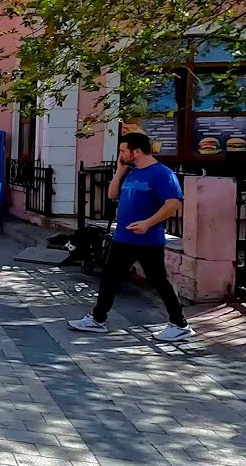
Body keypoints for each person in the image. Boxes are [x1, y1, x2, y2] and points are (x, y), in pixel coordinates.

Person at [69, 132, 192, 342]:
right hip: (123, 237)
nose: (120, 154)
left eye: (123, 150)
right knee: (110, 277)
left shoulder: (162, 174)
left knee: (159, 281)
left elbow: (173, 203)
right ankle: (98, 319)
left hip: (147, 240)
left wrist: (147, 223)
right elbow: (112, 195)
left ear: (136, 151)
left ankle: (180, 324)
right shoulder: (132, 172)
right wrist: (119, 172)